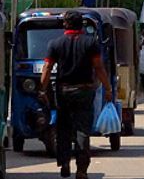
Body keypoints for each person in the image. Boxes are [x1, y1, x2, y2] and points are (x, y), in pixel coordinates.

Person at [39, 10, 113, 179]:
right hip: (84, 91)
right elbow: (99, 67)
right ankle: (81, 170)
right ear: (81, 25)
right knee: (82, 130)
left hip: (63, 92)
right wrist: (108, 88)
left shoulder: (55, 44)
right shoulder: (90, 43)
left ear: (65, 25)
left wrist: (42, 90)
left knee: (63, 128)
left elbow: (47, 68)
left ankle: (64, 163)